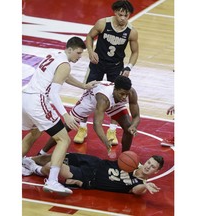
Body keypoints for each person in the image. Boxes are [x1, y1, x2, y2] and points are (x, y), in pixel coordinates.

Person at [22, 36, 99, 195]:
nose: (79, 56)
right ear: (70, 49)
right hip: (38, 100)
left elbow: (62, 76)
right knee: (64, 139)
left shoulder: (56, 55)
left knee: (35, 131)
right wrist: (66, 115)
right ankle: (52, 181)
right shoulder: (65, 65)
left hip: (25, 97)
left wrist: (83, 86)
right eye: (78, 53)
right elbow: (54, 94)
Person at [74, 0, 139, 145]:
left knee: (116, 99)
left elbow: (135, 52)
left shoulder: (131, 31)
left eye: (126, 15)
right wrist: (90, 51)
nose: (123, 18)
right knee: (87, 93)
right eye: (120, 14)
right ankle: (82, 128)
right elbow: (90, 36)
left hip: (116, 66)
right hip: (97, 64)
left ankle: (112, 130)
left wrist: (128, 67)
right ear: (115, 12)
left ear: (129, 15)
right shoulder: (103, 23)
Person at [38, 75, 140, 158]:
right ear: (115, 89)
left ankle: (125, 156)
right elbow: (97, 124)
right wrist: (105, 140)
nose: (124, 97)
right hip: (90, 100)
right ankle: (42, 152)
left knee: (128, 128)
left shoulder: (131, 93)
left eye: (126, 94)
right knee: (67, 126)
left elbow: (136, 116)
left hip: (113, 102)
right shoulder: (103, 99)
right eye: (122, 94)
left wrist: (133, 126)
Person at [22, 152, 164, 195]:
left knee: (53, 166)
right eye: (149, 163)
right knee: (58, 155)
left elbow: (136, 191)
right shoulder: (134, 162)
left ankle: (34, 169)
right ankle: (27, 159)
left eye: (152, 167)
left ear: (156, 171)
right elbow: (123, 157)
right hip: (95, 162)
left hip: (89, 177)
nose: (148, 167)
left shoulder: (139, 185)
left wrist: (146, 186)